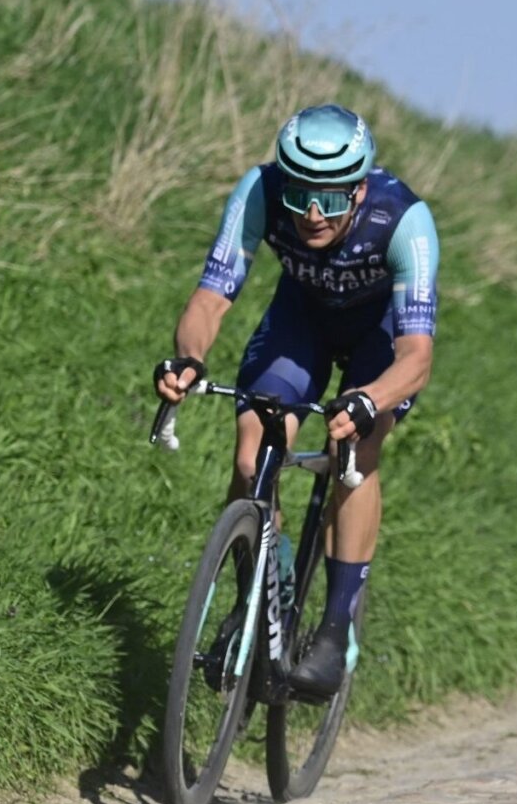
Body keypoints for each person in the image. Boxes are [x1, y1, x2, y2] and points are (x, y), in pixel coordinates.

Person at [153, 104, 440, 699]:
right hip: (301, 319)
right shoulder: (260, 189)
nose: (312, 214)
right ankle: (259, 596)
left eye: (331, 200)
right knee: (251, 449)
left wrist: (369, 402)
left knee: (355, 454)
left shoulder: (406, 220)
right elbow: (211, 297)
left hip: (378, 337)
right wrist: (189, 359)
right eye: (301, 196)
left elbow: (415, 357)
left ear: (359, 191)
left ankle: (336, 630)